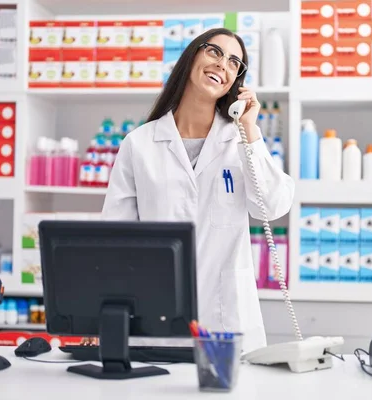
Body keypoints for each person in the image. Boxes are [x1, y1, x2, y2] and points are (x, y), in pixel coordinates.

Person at [100, 28, 294, 353]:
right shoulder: (139, 144)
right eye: (214, 52)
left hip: (227, 321)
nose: (223, 65)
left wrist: (250, 129)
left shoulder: (240, 141)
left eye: (235, 62)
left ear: (237, 81)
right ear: (192, 56)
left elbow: (271, 206)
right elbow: (115, 238)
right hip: (157, 316)